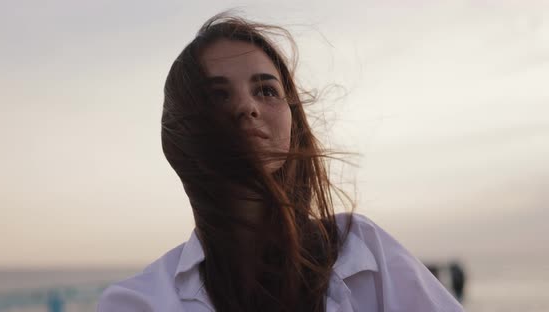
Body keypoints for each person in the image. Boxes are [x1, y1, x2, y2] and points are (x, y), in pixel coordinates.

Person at [97, 12, 464, 312]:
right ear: (182, 130)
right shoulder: (139, 303)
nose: (247, 106)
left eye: (266, 90)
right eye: (218, 95)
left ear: (293, 119)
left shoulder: (360, 248)